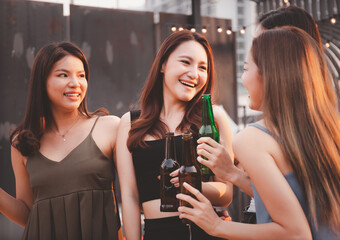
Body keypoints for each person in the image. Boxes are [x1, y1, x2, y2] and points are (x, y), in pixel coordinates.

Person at [177, 26, 340, 239]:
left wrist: (216, 225)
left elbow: (295, 234)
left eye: (245, 69)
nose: (243, 79)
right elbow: (304, 202)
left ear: (268, 75)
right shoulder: (335, 128)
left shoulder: (252, 139)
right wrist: (232, 174)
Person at [116, 30, 234, 240]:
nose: (194, 74)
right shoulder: (130, 122)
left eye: (202, 67)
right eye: (186, 62)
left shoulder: (213, 118)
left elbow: (226, 193)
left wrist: (192, 184)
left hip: (204, 231)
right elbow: (130, 195)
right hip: (156, 233)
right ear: (162, 64)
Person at [0, 42, 123, 239]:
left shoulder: (110, 127)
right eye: (63, 75)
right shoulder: (21, 142)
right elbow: (28, 214)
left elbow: (133, 195)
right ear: (42, 81)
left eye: (81, 75)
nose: (75, 83)